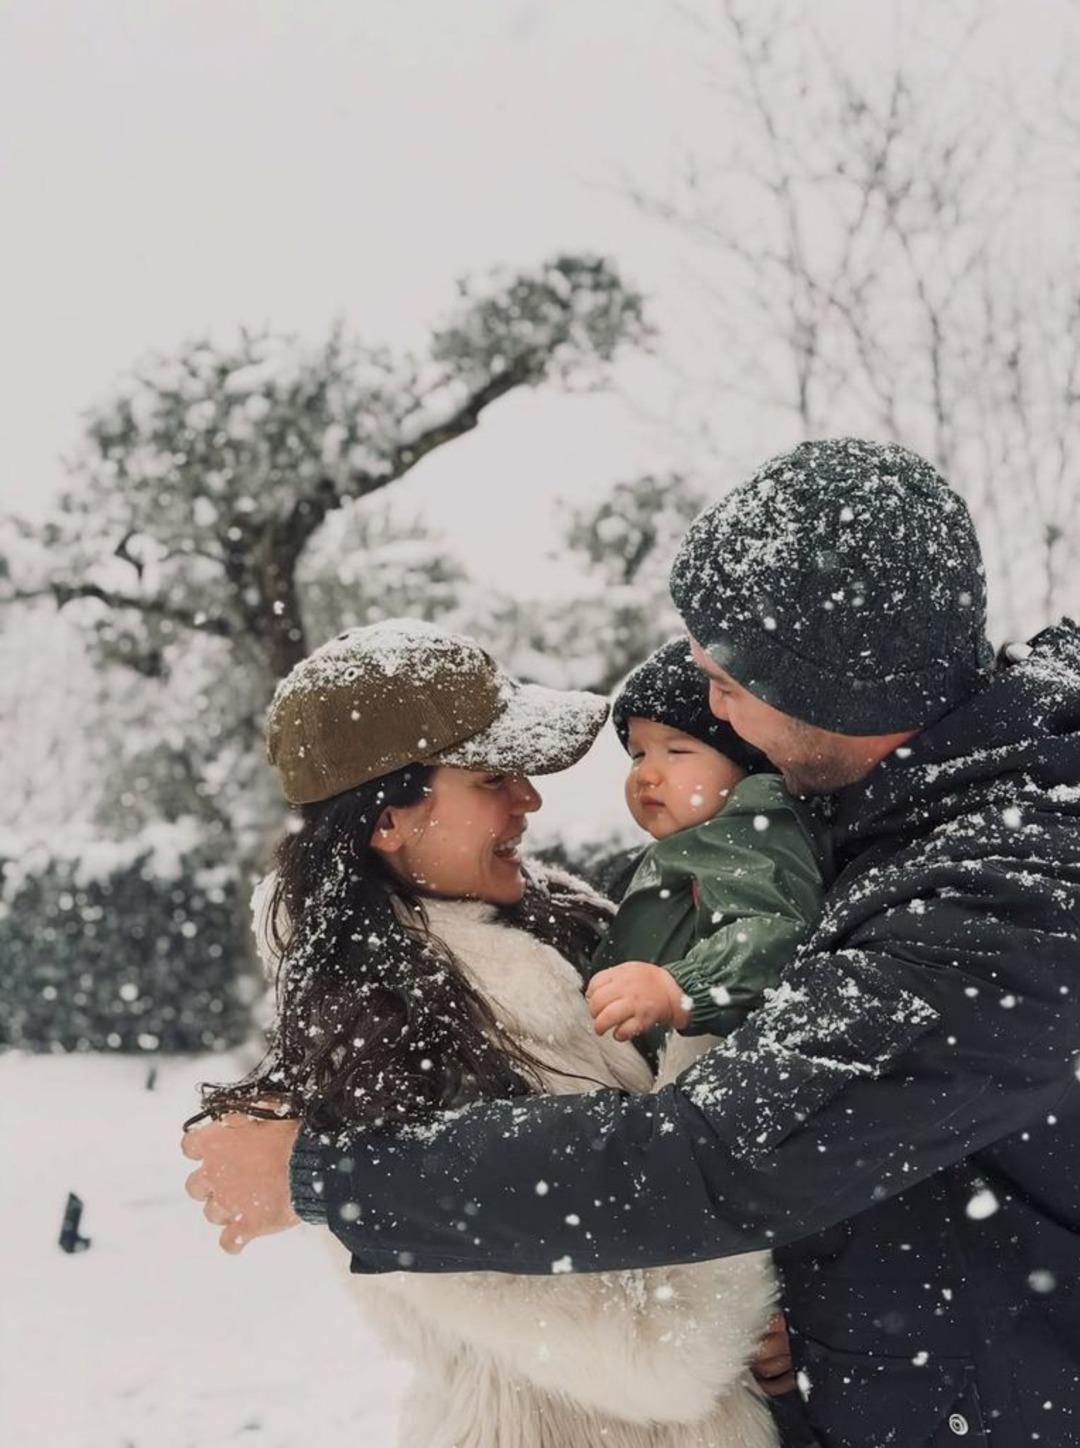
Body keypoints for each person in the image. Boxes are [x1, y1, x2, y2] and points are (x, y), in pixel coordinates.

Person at [185, 439, 1080, 1447]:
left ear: (837, 688)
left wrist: (324, 1177)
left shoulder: (998, 896)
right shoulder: (894, 815)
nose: (711, 705)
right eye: (493, 777)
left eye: (729, 681)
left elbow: (712, 1157)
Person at [186, 619, 781, 1448]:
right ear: (386, 822)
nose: (528, 799)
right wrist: (708, 1013)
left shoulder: (555, 927)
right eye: (493, 778)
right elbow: (664, 1347)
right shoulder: (383, 1049)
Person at [585, 637, 826, 1055]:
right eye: (638, 755)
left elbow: (772, 931)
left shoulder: (754, 832)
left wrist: (679, 987)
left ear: (747, 761)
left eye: (677, 751)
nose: (646, 775)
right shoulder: (688, 845)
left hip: (705, 1057)